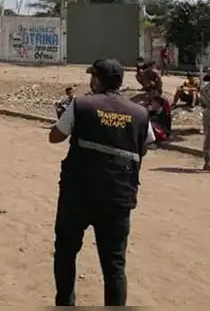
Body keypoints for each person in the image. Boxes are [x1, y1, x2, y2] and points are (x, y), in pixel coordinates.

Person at [49, 58, 155, 307]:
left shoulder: (82, 104)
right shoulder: (139, 113)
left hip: (78, 195)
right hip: (119, 197)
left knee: (66, 252)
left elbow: (55, 137)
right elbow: (145, 147)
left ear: (96, 79)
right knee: (114, 264)